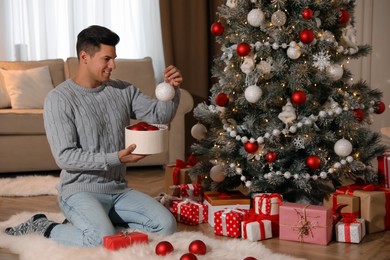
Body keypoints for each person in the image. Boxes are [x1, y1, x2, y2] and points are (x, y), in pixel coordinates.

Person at [5, 25, 183, 247]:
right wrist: (115, 158)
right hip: (79, 192)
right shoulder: (59, 99)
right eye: (106, 59)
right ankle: (44, 227)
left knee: (167, 226)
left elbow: (160, 116)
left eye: (114, 58)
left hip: (118, 190)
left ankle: (100, 222)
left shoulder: (122, 90)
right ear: (84, 57)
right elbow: (65, 157)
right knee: (99, 239)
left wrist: (172, 91)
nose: (113, 65)